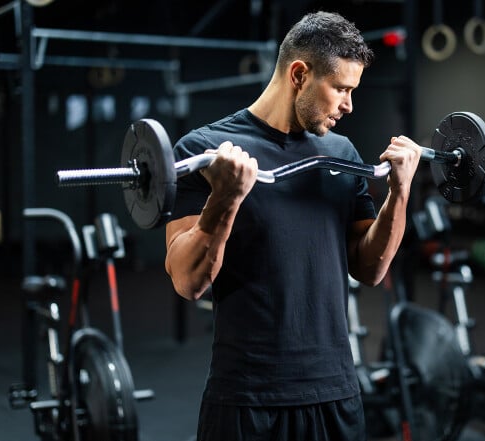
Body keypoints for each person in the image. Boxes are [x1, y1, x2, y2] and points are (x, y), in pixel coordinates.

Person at [164, 10, 422, 441]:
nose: (349, 105)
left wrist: (399, 192)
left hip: (336, 394)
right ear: (299, 74)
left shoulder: (341, 150)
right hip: (248, 399)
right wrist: (225, 198)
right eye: (340, 88)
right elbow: (188, 281)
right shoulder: (205, 150)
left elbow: (370, 269)